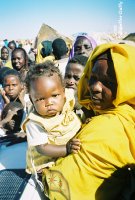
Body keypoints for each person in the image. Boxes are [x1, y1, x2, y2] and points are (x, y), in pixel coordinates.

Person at [42, 43, 135, 200]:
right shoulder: (127, 115)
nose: (95, 87)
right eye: (93, 78)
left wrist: (44, 173)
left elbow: (60, 188)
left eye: (108, 81)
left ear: (128, 84)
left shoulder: (108, 126)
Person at [22, 61, 81, 176]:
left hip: (71, 145)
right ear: (32, 99)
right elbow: (42, 148)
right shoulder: (35, 122)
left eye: (54, 96)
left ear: (63, 91)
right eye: (40, 99)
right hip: (48, 160)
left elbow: (80, 104)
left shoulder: (67, 97)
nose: (49, 103)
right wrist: (66, 149)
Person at [65, 54, 94, 122]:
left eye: (77, 78)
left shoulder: (94, 107)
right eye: (68, 76)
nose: (71, 82)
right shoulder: (58, 103)